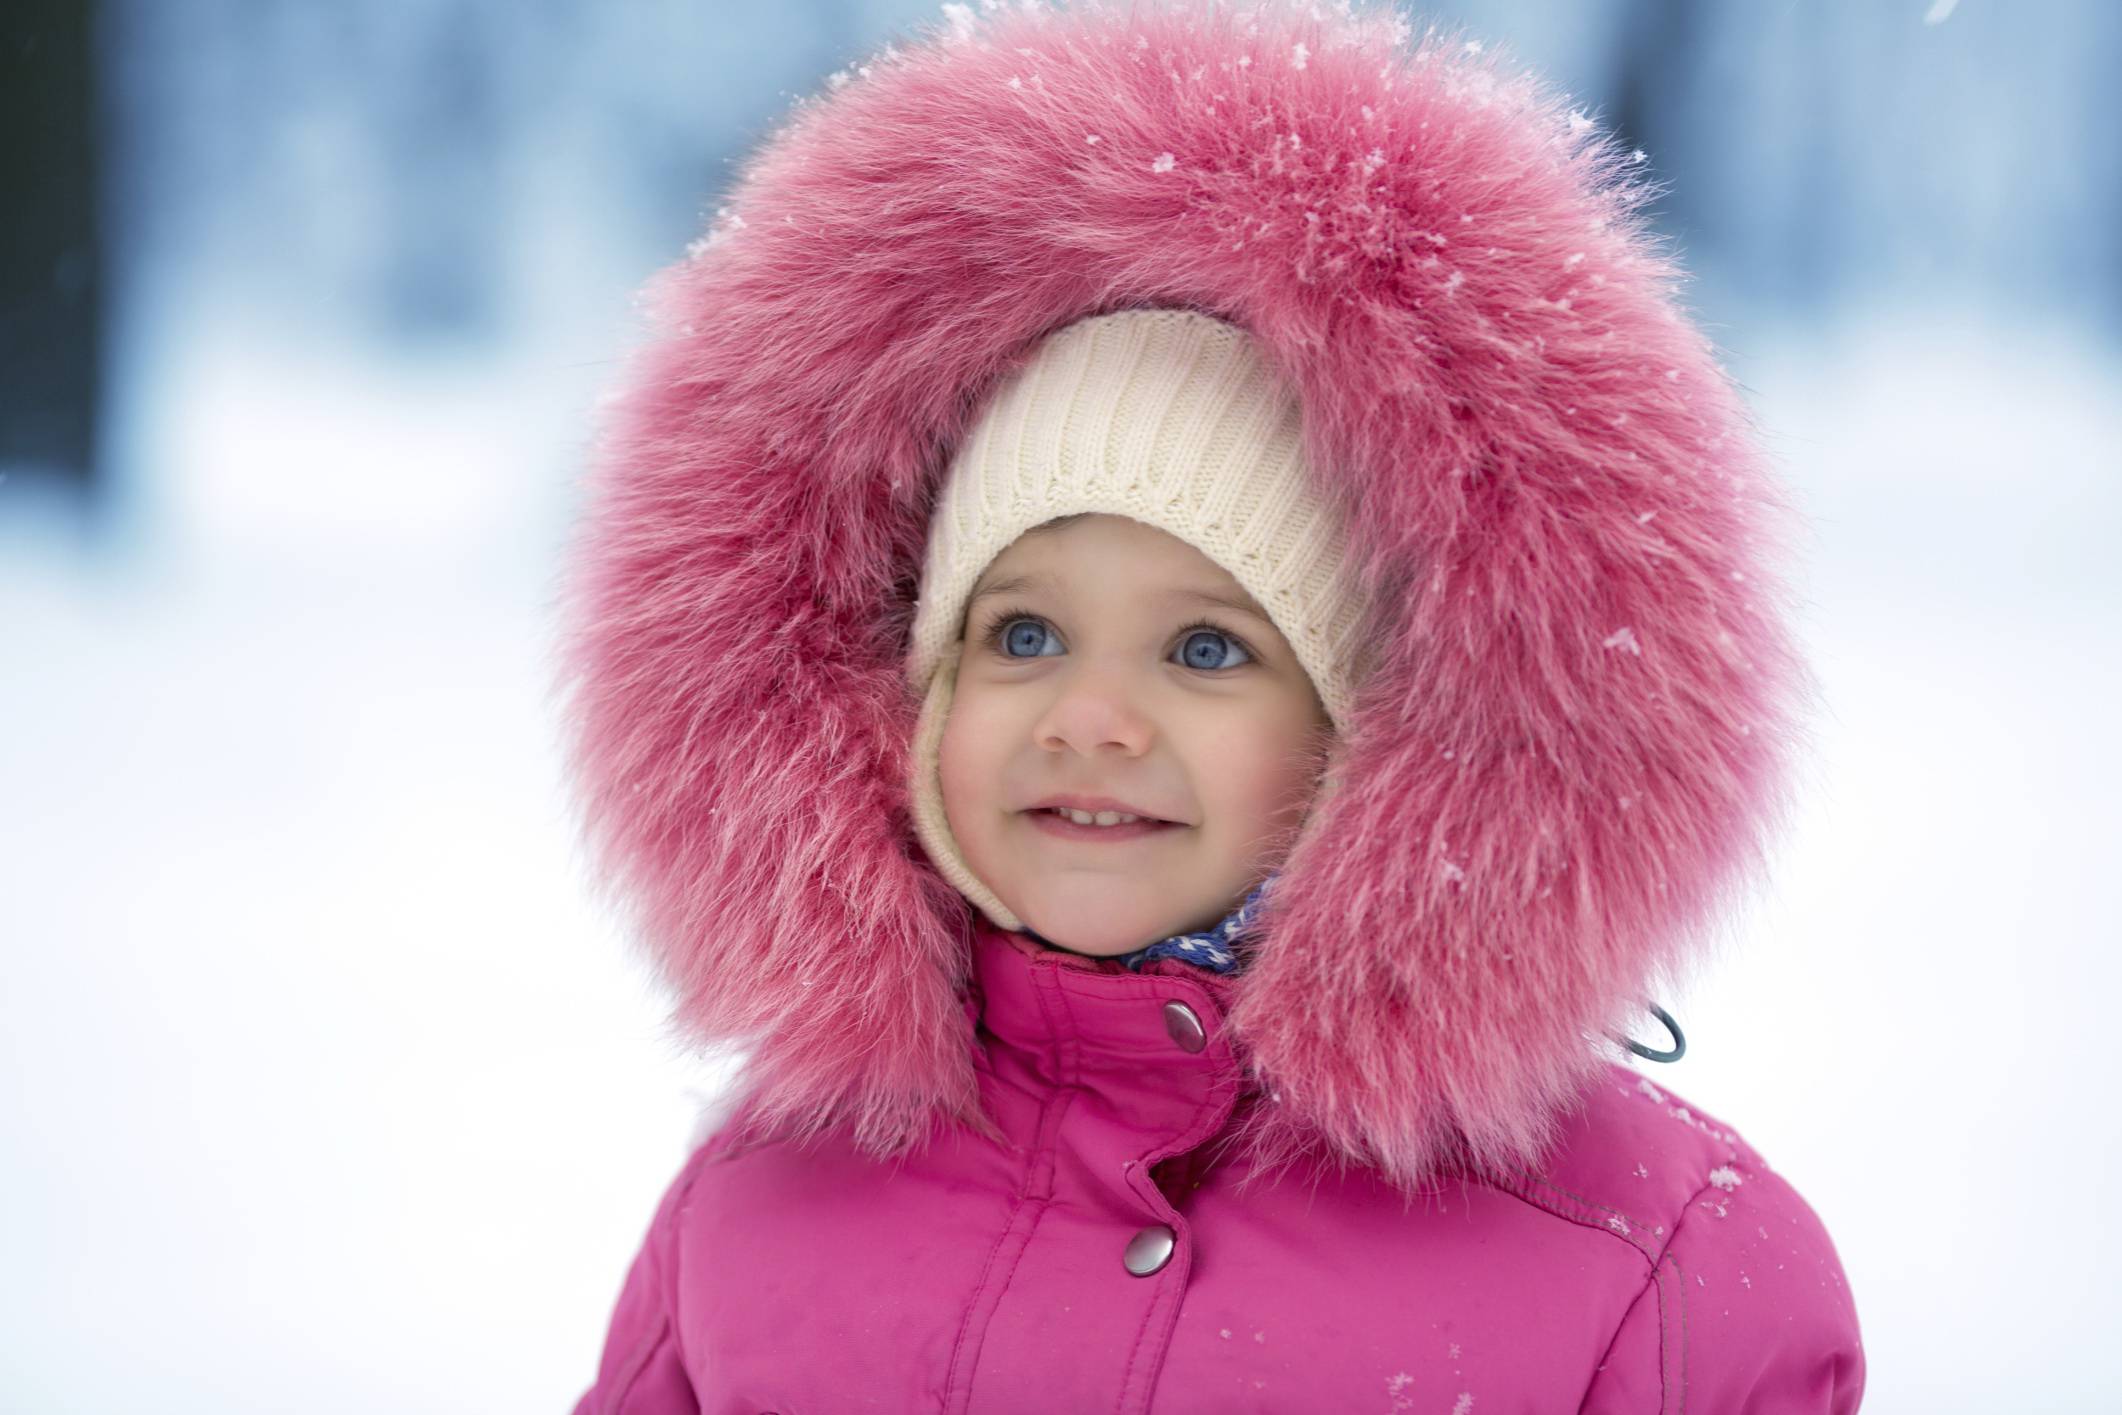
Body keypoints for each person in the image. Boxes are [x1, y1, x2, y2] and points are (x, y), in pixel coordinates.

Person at [554, 3, 1865, 1410]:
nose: (1090, 717)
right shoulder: (761, 1204)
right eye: (1024, 632)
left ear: (1382, 731)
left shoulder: (1649, 1260)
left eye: (1204, 651)